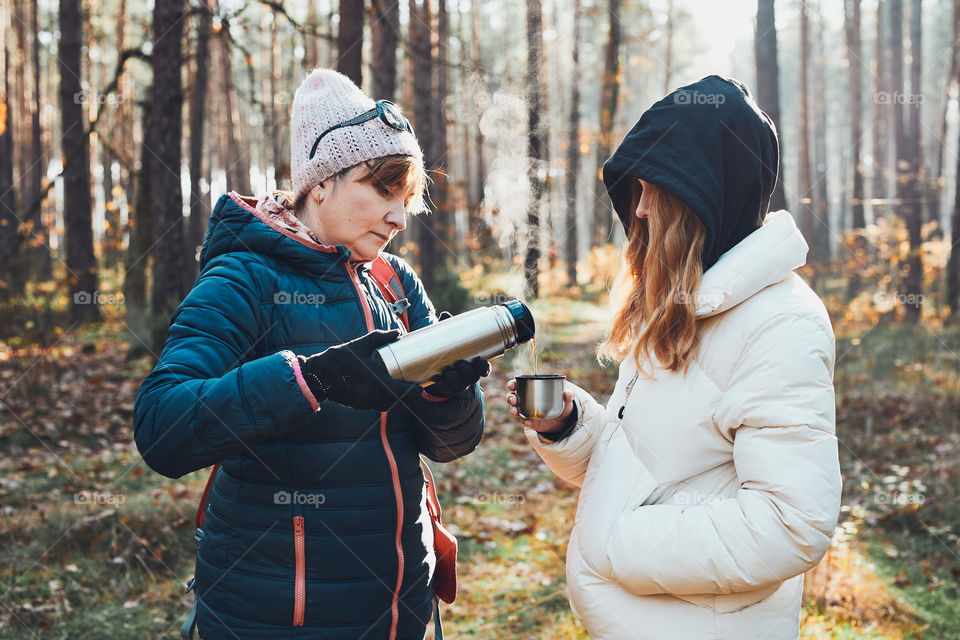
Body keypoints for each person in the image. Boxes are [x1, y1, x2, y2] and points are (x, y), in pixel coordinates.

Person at [134, 68, 488, 640]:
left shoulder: (396, 282)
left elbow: (450, 446)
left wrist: (447, 394)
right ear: (320, 183)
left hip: (403, 604)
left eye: (406, 199)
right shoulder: (244, 279)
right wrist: (312, 379)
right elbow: (161, 426)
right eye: (382, 190)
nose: (399, 219)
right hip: (280, 612)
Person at [506, 75, 842, 639]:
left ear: (704, 195)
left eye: (650, 190)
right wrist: (568, 426)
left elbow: (791, 525)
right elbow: (648, 463)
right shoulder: (682, 307)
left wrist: (615, 540)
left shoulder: (780, 323)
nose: (636, 211)